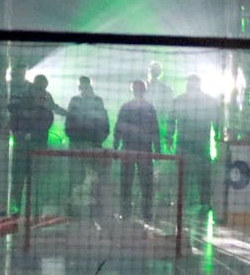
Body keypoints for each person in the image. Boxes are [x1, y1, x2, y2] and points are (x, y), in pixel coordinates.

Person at [168, 74, 221, 211]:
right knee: (202, 174)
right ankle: (204, 201)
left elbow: (171, 120)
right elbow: (217, 122)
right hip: (200, 143)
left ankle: (182, 200)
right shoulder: (209, 101)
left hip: (185, 143)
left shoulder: (179, 100)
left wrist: (169, 137)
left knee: (183, 174)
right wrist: (217, 138)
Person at [112, 79, 161, 222]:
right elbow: (155, 130)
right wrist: (157, 149)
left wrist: (116, 145)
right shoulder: (148, 108)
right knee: (143, 183)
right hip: (140, 150)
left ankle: (128, 211)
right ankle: (144, 212)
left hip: (132, 149)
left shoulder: (127, 107)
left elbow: (118, 128)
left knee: (130, 182)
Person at [9, 75, 57, 213]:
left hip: (37, 148)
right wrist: (20, 135)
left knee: (37, 181)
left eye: (41, 88)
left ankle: (36, 211)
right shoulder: (20, 104)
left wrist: (29, 135)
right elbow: (13, 120)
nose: (39, 91)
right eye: (37, 87)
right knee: (19, 179)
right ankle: (16, 209)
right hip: (23, 147)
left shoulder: (46, 109)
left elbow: (45, 125)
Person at [64, 76, 110, 215]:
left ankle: (92, 209)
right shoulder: (75, 100)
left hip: (91, 144)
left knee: (93, 177)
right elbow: (69, 122)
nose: (83, 88)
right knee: (77, 177)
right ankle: (76, 208)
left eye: (85, 86)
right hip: (80, 144)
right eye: (81, 86)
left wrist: (98, 140)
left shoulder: (96, 101)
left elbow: (104, 123)